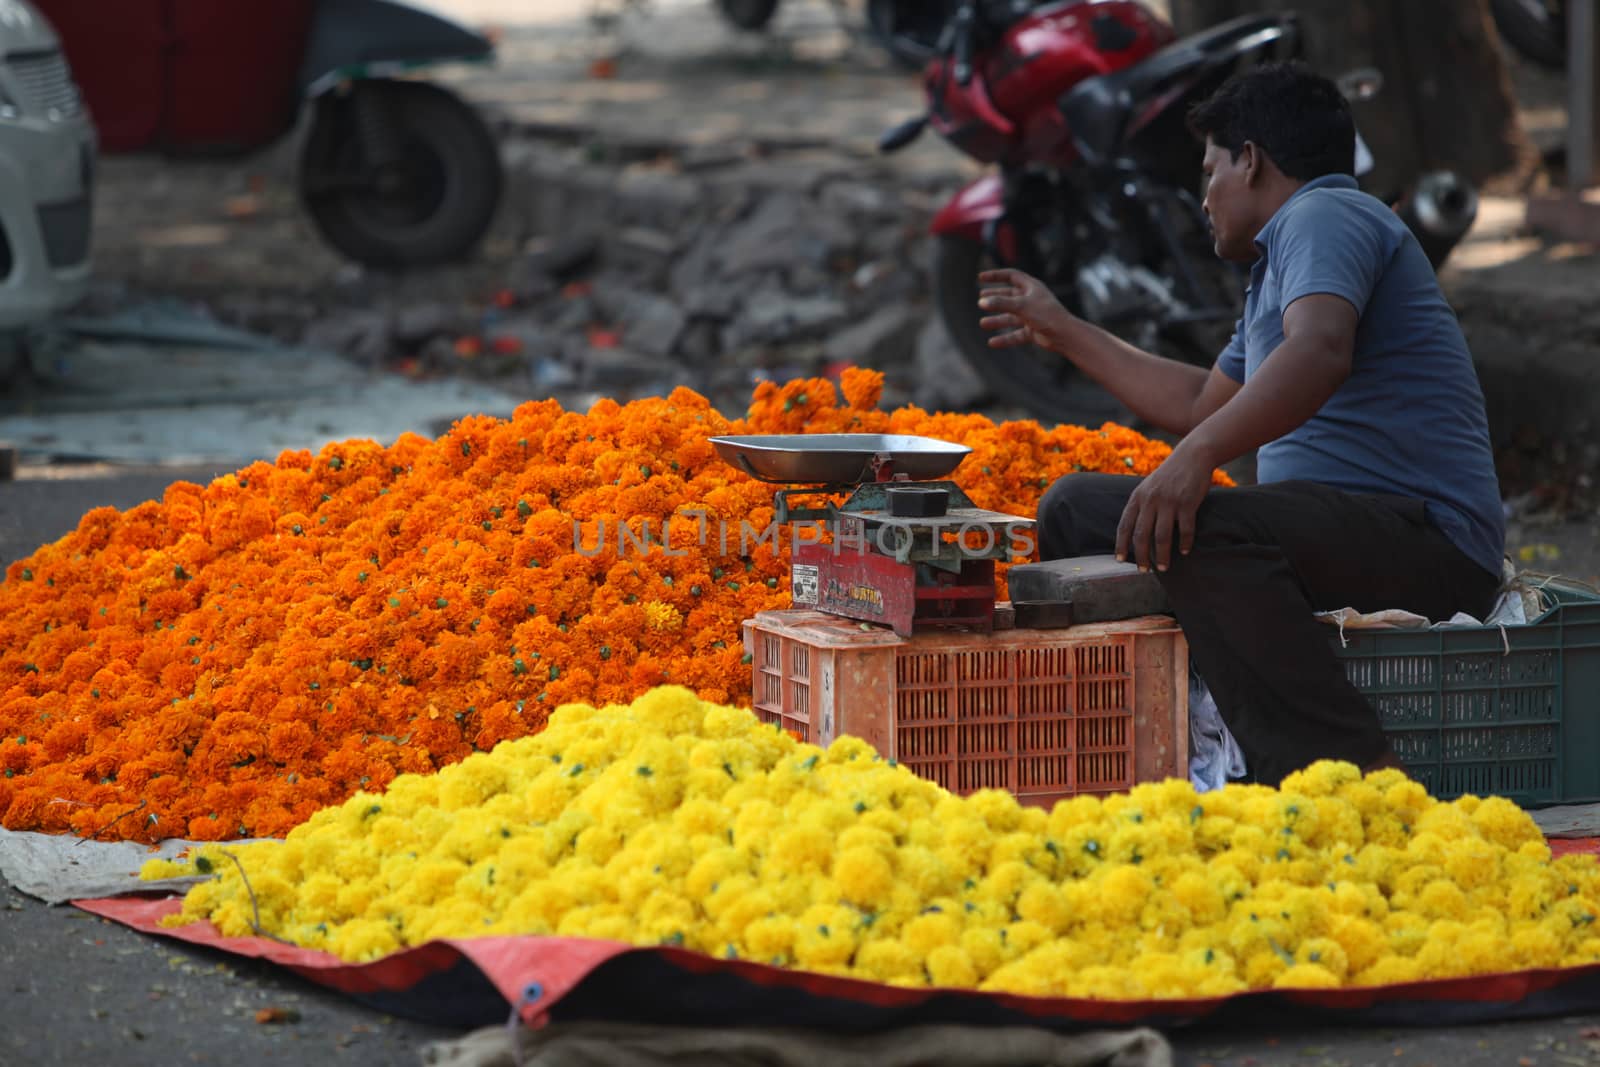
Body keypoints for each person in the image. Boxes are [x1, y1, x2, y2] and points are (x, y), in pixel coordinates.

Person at [976, 61, 1505, 787]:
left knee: (1203, 524)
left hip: (1429, 543)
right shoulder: (1273, 270)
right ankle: (1141, 748)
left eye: (1208, 171)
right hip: (1337, 533)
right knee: (1076, 509)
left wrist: (1196, 458)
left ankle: (1353, 769)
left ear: (1250, 160)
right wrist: (1063, 329)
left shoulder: (1326, 214)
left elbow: (1320, 353)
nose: (1204, 198)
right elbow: (1201, 403)